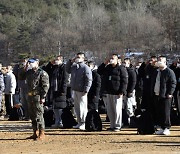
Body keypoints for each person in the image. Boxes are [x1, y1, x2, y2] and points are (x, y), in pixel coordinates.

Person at [98, 54, 128, 131]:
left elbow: (124, 81)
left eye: (113, 58)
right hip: (108, 91)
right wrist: (104, 63)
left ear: (117, 60)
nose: (111, 60)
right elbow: (99, 71)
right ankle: (112, 125)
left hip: (117, 92)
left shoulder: (121, 68)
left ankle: (117, 126)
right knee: (110, 110)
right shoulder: (108, 68)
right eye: (110, 58)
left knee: (117, 110)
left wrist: (122, 91)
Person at [23, 58, 49, 140]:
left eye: (32, 63)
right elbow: (20, 76)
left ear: (37, 63)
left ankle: (42, 132)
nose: (30, 64)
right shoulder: (29, 72)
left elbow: (45, 86)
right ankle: (35, 132)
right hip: (30, 96)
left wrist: (43, 97)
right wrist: (25, 67)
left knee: (39, 114)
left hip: (38, 96)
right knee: (32, 115)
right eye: (29, 63)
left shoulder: (42, 73)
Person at [66, 52, 92, 130]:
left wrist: (86, 89)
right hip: (75, 89)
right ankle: (79, 122)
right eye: (77, 57)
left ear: (83, 59)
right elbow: (67, 70)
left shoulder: (85, 67)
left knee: (82, 107)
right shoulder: (74, 67)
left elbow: (89, 79)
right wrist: (70, 61)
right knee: (77, 107)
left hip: (82, 91)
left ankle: (84, 123)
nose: (77, 58)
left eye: (79, 57)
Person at [151, 56, 176, 135]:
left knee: (166, 112)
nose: (159, 62)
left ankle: (167, 127)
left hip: (166, 95)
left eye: (161, 60)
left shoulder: (169, 72)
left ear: (165, 62)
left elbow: (173, 83)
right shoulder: (156, 71)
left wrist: (170, 93)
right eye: (158, 60)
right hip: (157, 94)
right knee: (159, 112)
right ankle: (162, 127)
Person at [50, 55, 68, 128]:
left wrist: (63, 90)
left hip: (60, 90)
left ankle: (60, 122)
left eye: (57, 59)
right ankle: (57, 121)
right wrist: (50, 63)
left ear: (61, 60)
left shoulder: (64, 68)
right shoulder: (55, 68)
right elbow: (47, 69)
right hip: (54, 89)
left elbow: (65, 79)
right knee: (55, 107)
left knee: (60, 107)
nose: (56, 61)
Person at [123, 58, 137, 124]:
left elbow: (133, 82)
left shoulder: (131, 71)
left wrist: (130, 91)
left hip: (129, 91)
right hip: (124, 91)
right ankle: (125, 120)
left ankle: (132, 120)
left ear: (129, 63)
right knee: (124, 106)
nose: (124, 64)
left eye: (125, 63)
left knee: (129, 106)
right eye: (123, 63)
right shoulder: (122, 70)